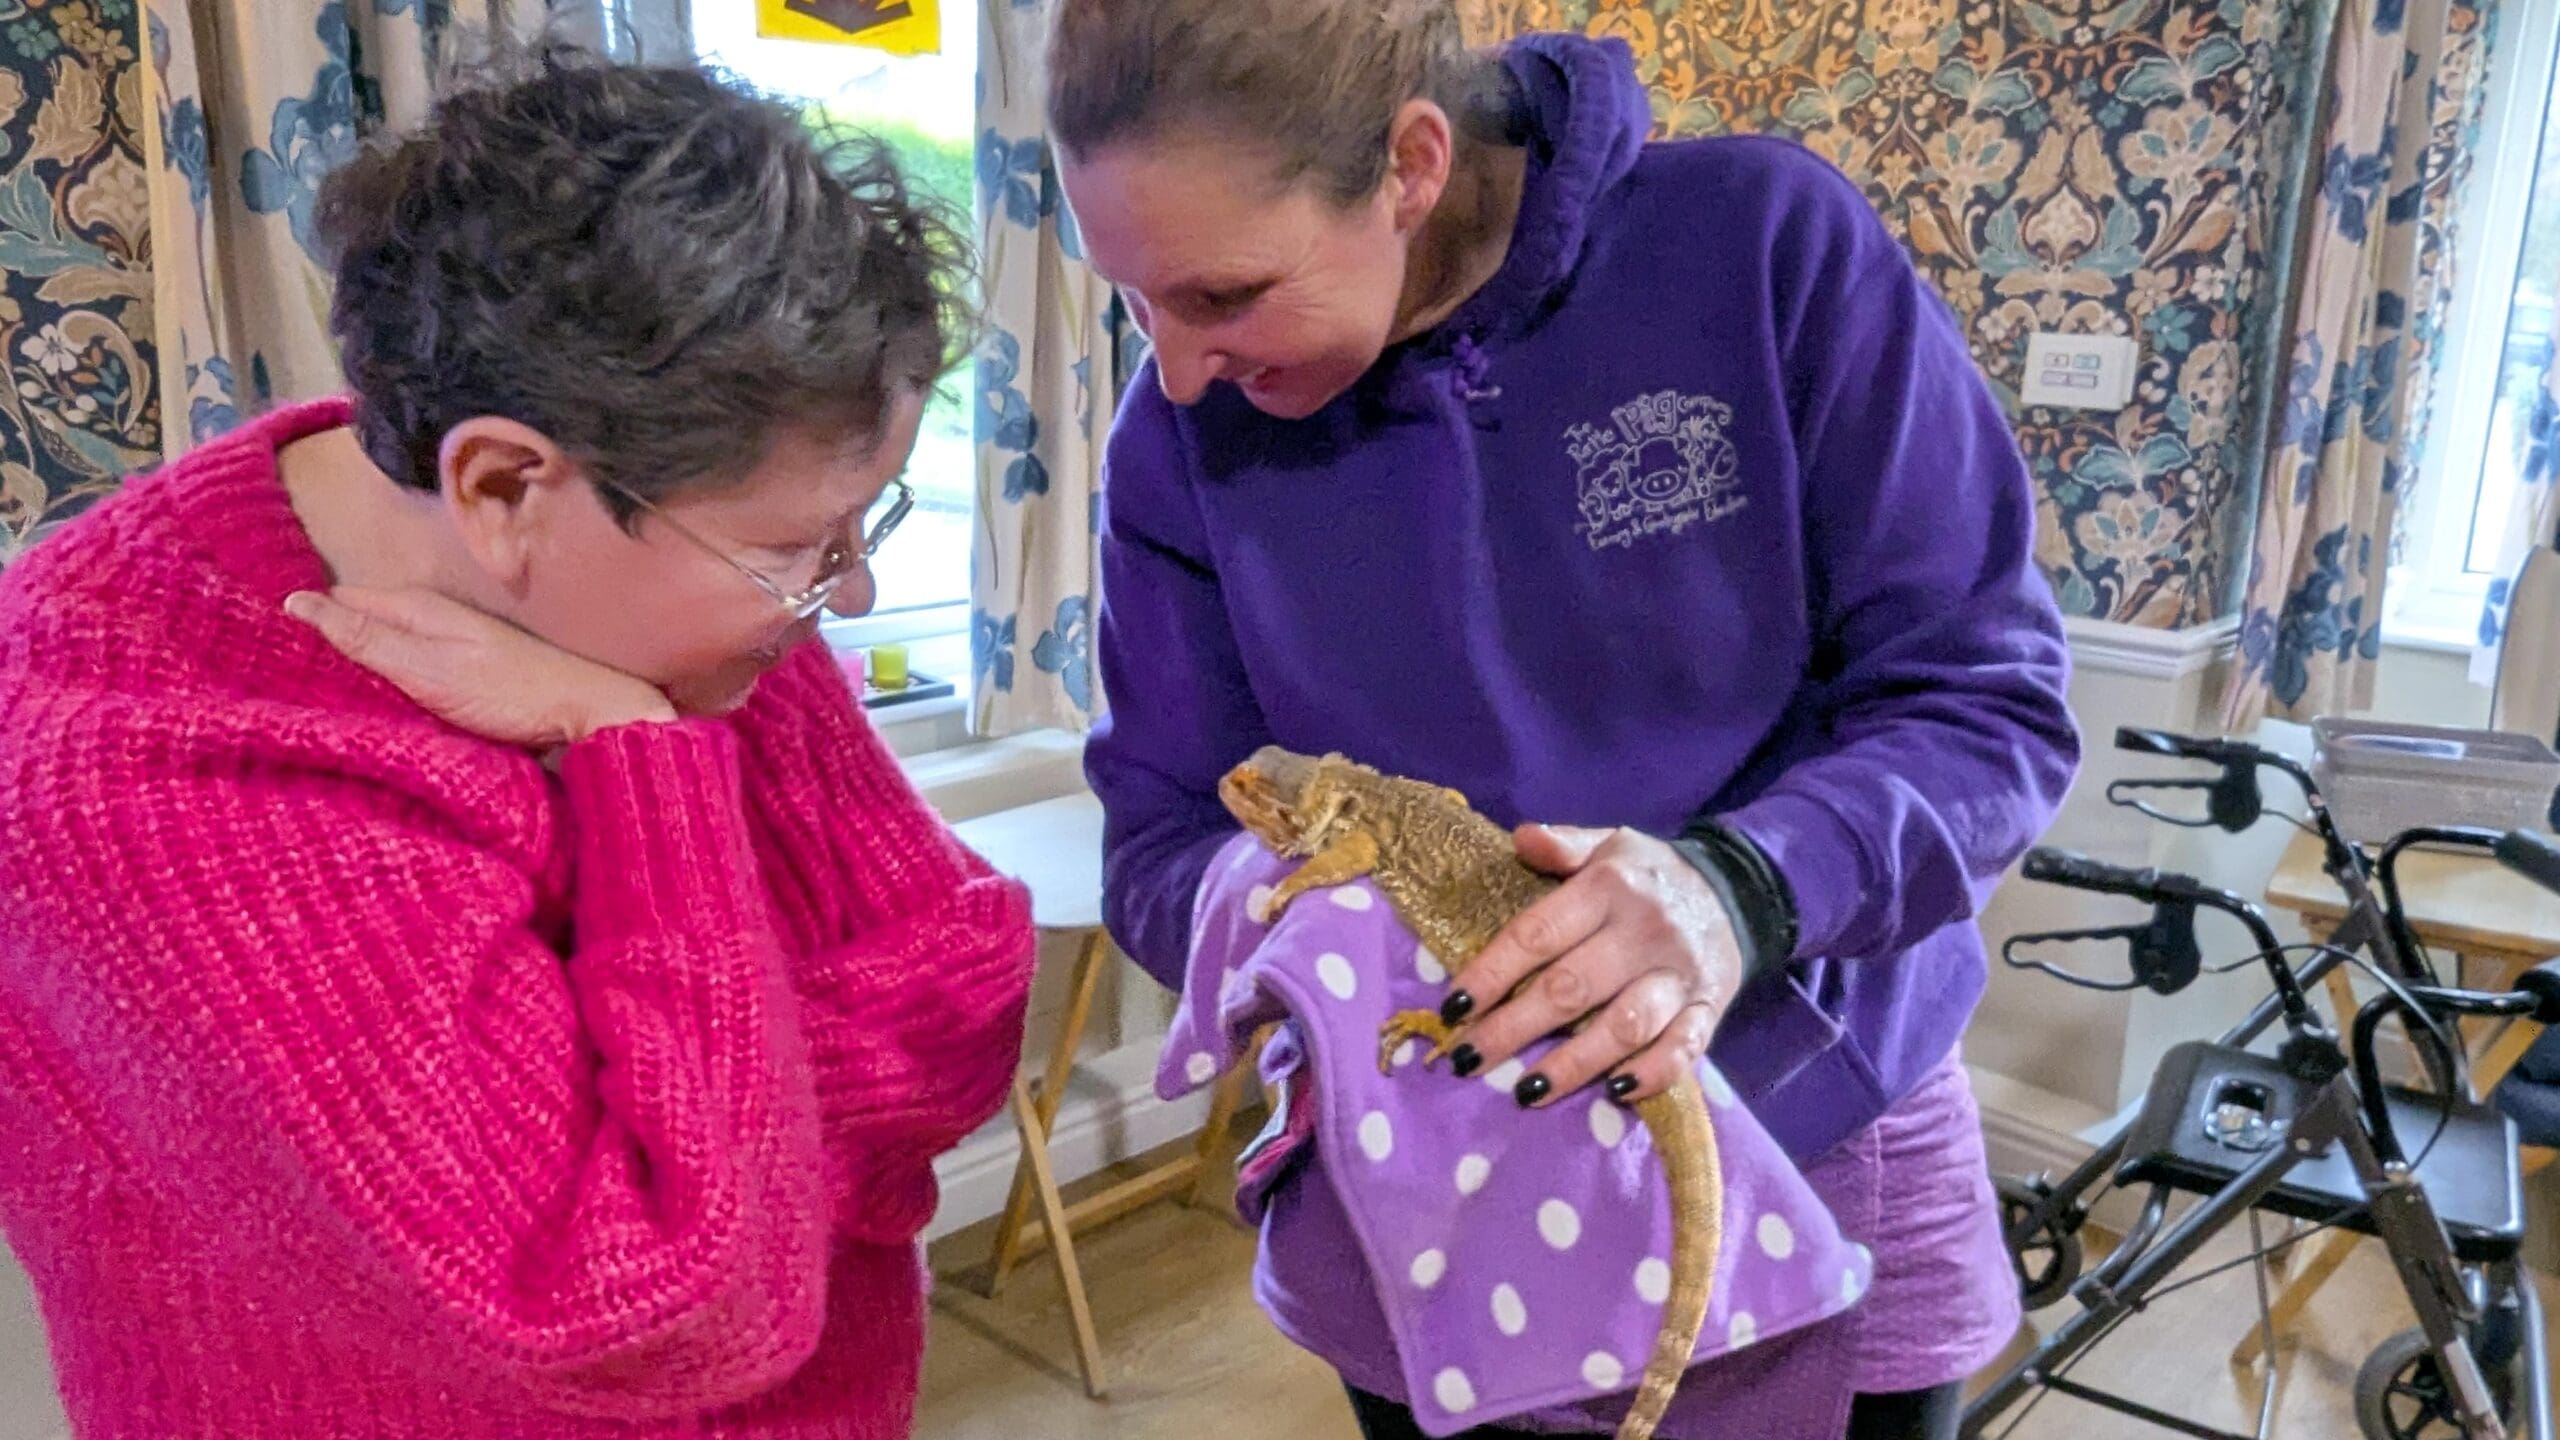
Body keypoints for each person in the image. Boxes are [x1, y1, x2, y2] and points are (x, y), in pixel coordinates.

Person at [1048, 3, 2081, 1437]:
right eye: (1131, 297)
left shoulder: (1759, 245)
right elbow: (1162, 840)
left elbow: (1986, 712)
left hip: (1812, 1109)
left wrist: (1739, 891)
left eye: (1223, 295)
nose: (1169, 370)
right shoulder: (1175, 440)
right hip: (1419, 1180)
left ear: (1411, 164)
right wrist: (1284, 914)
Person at [0, 43, 1034, 1440]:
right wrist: (639, 756)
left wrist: (700, 1137)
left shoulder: (672, 589)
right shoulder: (136, 761)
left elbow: (962, 988)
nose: (845, 596)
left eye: (867, 529)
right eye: (804, 550)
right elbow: (674, 1306)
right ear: (499, 484)